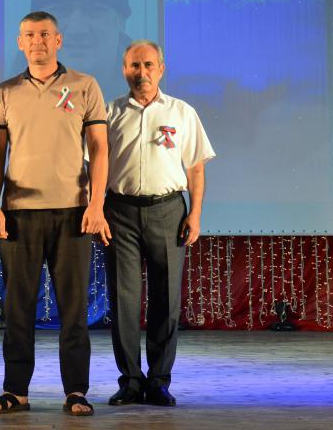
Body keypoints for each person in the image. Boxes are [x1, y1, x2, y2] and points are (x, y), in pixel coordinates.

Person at [0, 11, 111, 417]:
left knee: (73, 309)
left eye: (44, 34)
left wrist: (96, 204)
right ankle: (15, 391)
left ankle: (76, 391)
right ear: (20, 43)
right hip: (19, 214)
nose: (36, 41)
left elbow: (100, 148)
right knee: (17, 308)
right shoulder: (5, 92)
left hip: (73, 212)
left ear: (58, 40)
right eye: (29, 35)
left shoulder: (85, 85)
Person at [103, 40, 215, 407]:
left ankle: (159, 381)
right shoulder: (109, 112)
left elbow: (195, 169)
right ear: (124, 70)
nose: (142, 73)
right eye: (134, 66)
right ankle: (130, 381)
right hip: (119, 211)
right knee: (124, 299)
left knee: (166, 299)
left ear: (161, 69)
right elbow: (94, 167)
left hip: (168, 211)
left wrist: (195, 214)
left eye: (148, 65)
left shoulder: (182, 112)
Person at [19, 0, 141, 102]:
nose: (77, 29)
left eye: (94, 11)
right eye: (60, 12)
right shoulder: (4, 101)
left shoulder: (164, 103)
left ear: (121, 21)